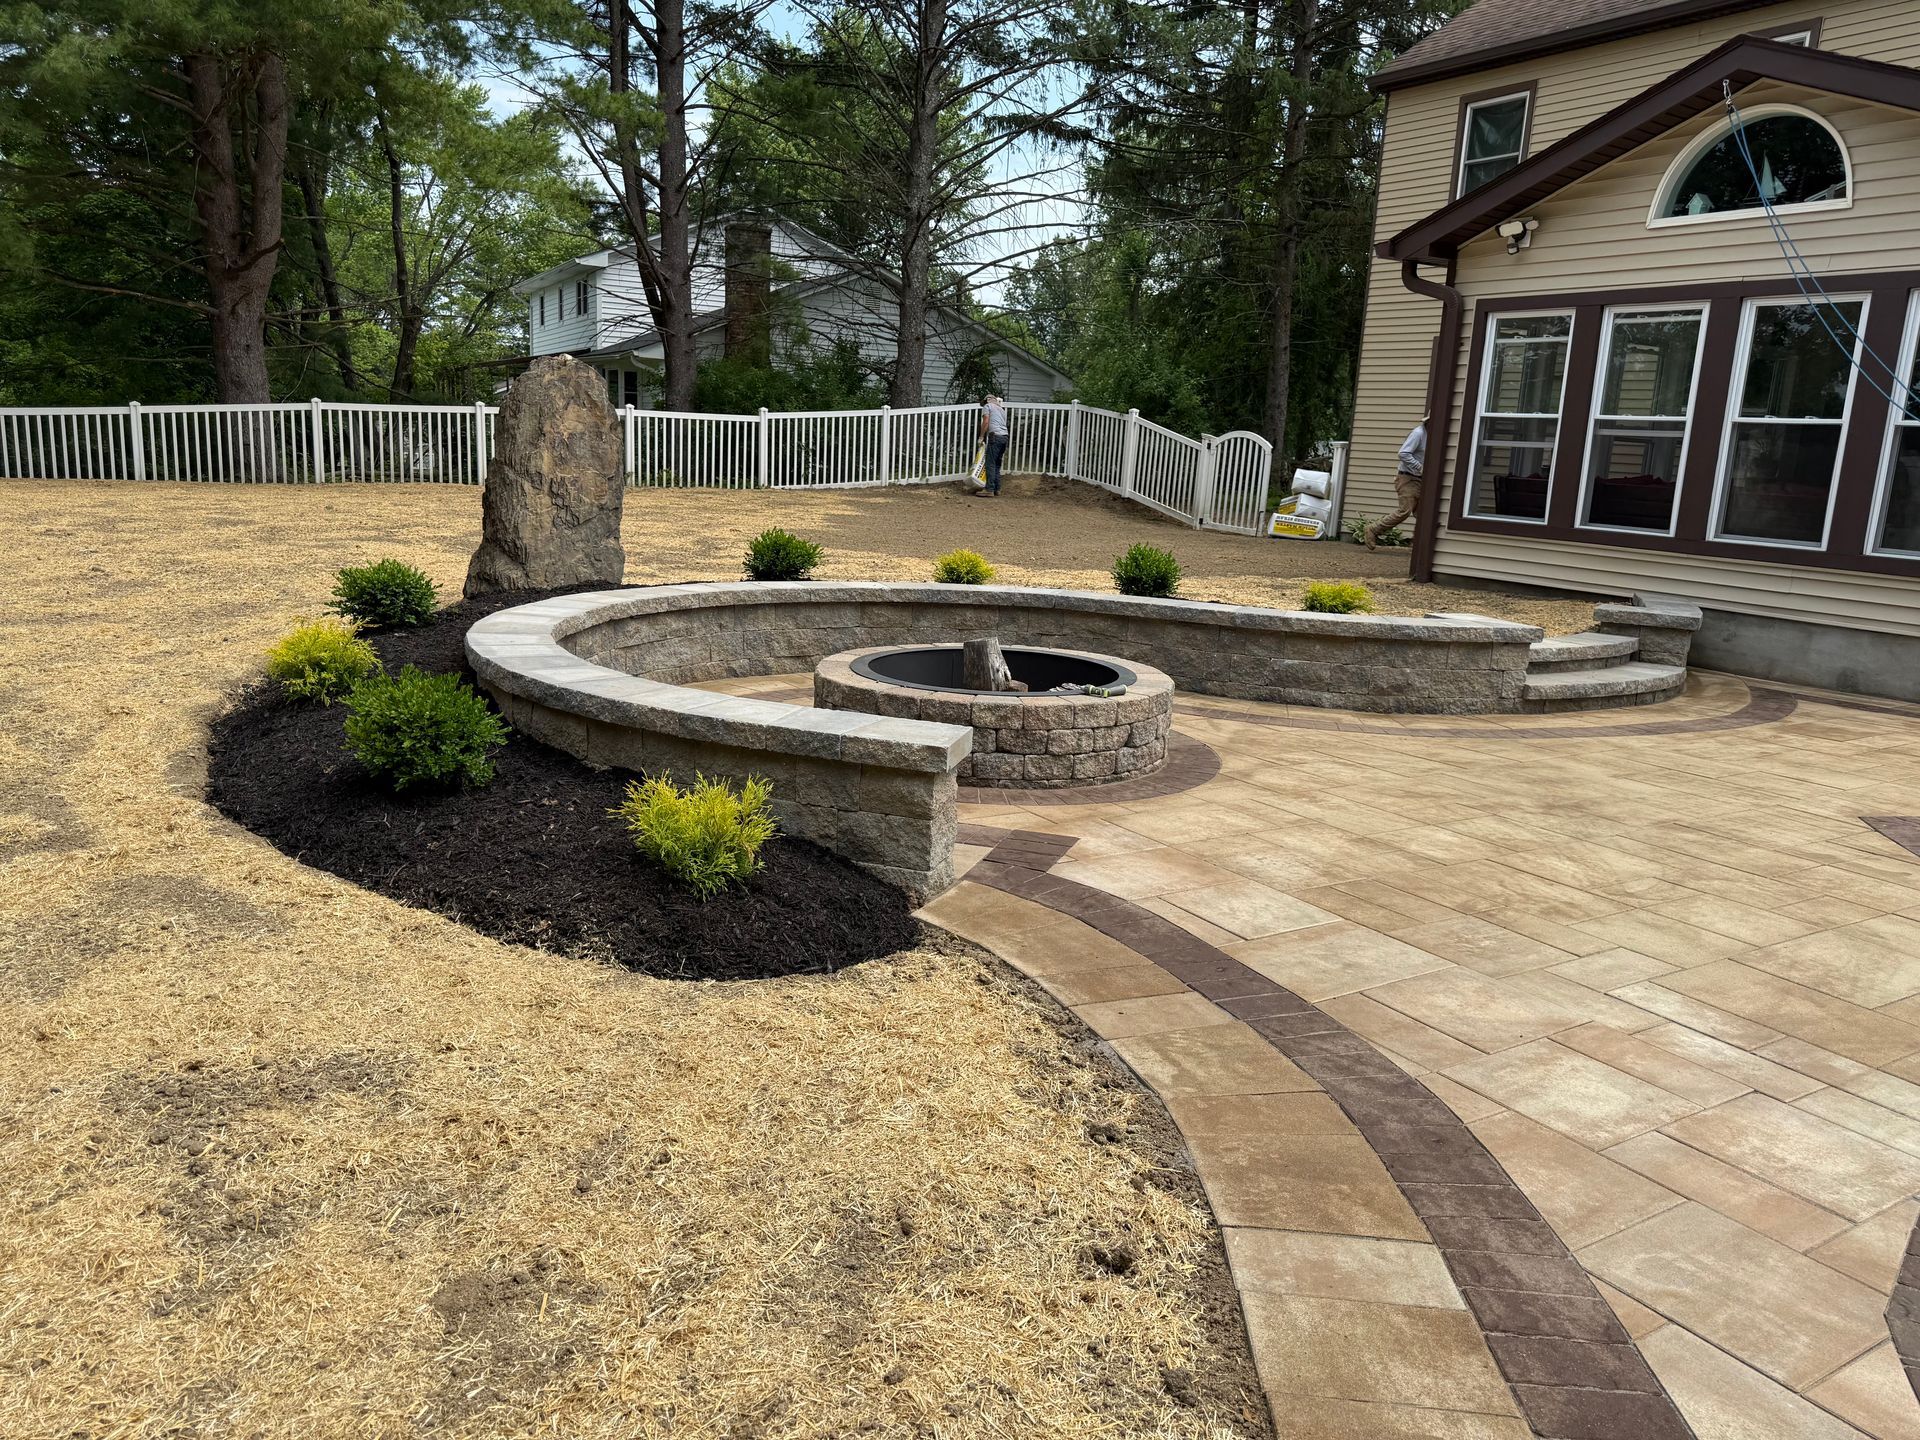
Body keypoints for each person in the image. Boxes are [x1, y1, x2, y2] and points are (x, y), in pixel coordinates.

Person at [1365, 416, 1426, 551]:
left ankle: (1418, 545)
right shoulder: (1418, 434)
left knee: (1424, 513)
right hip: (1407, 478)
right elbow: (1403, 453)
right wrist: (1419, 466)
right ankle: (1373, 529)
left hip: (1422, 479)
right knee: (1405, 511)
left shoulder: (1433, 435)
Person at [973, 393, 1009, 497]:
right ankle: (997, 489)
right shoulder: (1002, 410)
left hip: (995, 436)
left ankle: (989, 489)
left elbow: (986, 422)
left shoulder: (987, 406)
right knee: (997, 464)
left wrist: (981, 437)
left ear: (987, 401)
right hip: (1004, 437)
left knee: (990, 463)